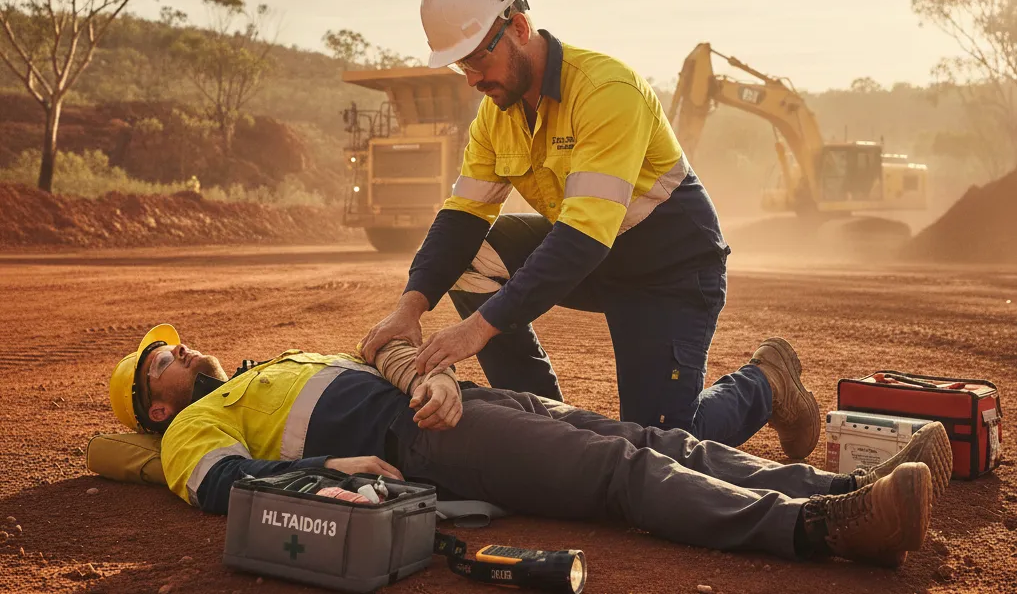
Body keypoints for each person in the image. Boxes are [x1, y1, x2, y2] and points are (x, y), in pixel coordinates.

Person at [360, 0, 818, 458]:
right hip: (596, 258)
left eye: (476, 58)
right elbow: (461, 219)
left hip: (668, 269)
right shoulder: (496, 115)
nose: (471, 78)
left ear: (516, 27)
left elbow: (581, 238)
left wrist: (478, 328)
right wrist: (410, 306)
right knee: (470, 259)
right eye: (459, 65)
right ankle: (544, 422)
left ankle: (767, 383)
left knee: (660, 449)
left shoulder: (607, 91)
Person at [109, 324, 953, 567]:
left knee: (651, 436)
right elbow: (223, 484)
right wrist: (327, 468)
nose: (179, 352)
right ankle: (810, 528)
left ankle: (829, 488)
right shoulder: (192, 427)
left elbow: (377, 355)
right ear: (155, 404)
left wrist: (401, 353)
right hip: (429, 440)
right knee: (620, 471)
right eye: (163, 361)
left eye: (174, 345)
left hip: (457, 400)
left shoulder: (266, 364)